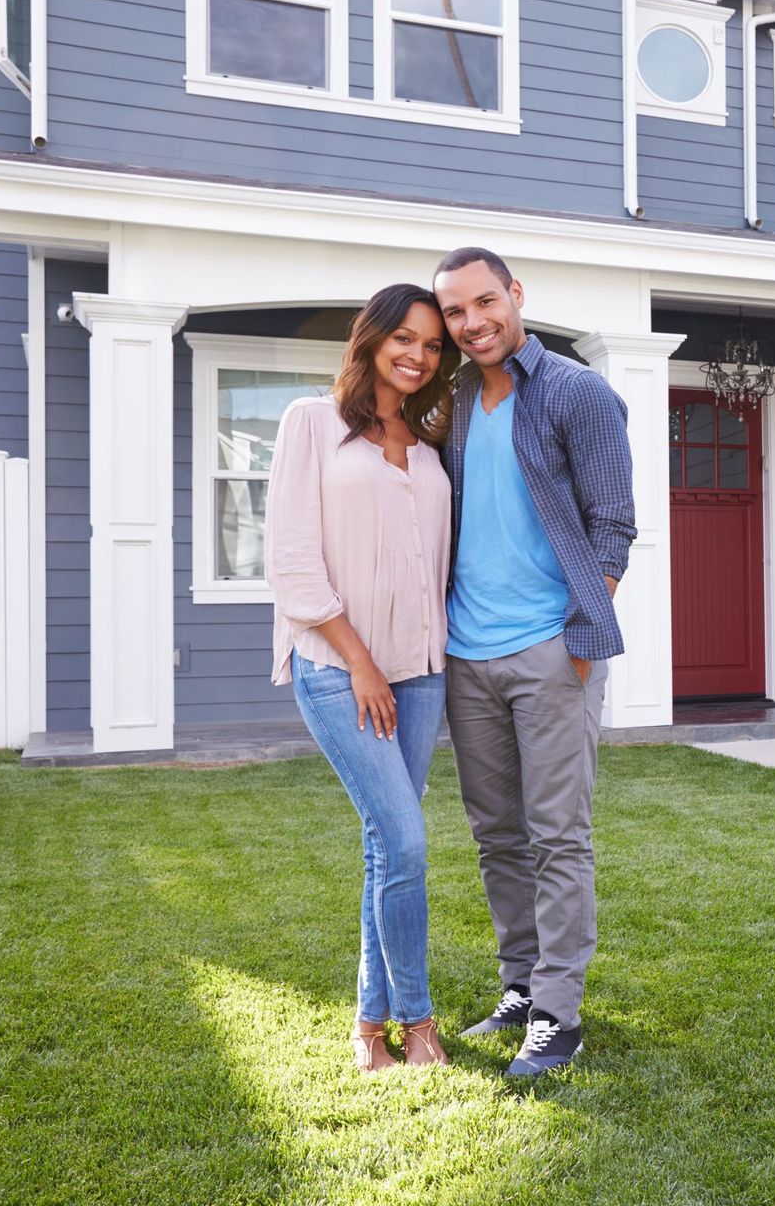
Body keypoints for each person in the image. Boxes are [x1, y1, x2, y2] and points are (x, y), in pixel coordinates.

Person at [433, 246, 636, 1077]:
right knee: (496, 837)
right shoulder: (449, 404)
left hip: (551, 651)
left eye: (486, 302)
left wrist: (579, 633)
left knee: (558, 836)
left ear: (516, 295)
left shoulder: (577, 392)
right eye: (455, 311)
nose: (473, 322)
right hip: (466, 654)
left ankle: (558, 1012)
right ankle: (519, 985)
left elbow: (614, 524)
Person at [265, 284, 459, 1073]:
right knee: (405, 839)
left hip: (422, 674)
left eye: (433, 344)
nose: (417, 355)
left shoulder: (430, 441)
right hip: (341, 672)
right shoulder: (311, 423)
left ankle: (366, 1028)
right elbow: (291, 562)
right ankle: (417, 1023)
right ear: (372, 337)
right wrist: (360, 661)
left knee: (389, 849)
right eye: (404, 338)